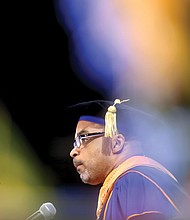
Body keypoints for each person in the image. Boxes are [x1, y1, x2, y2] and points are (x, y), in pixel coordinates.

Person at [69, 98, 190, 220]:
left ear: (116, 143)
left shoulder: (134, 181)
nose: (73, 152)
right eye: (75, 143)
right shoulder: (132, 181)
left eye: (83, 138)